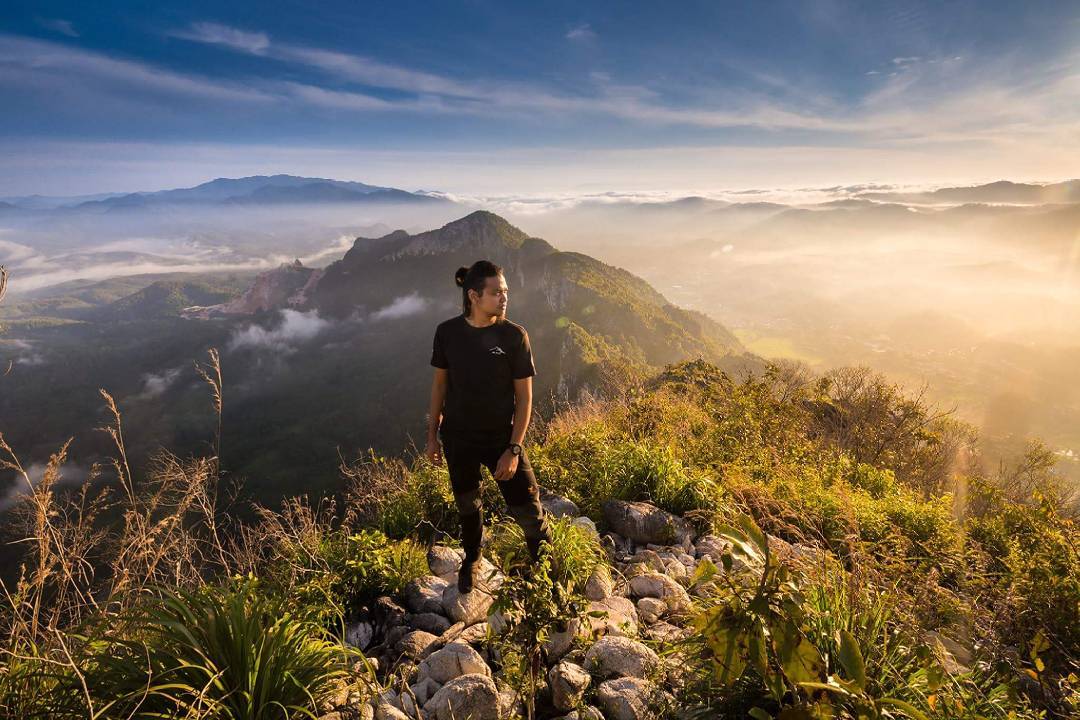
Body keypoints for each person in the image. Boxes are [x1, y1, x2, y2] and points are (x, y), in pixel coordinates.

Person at [425, 260, 553, 593]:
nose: (503, 298)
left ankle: (547, 577)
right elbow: (439, 387)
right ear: (473, 296)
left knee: (529, 511)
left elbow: (525, 400)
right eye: (496, 292)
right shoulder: (448, 333)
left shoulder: (513, 336)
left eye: (505, 292)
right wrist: (432, 438)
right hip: (458, 438)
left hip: (501, 440)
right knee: (468, 505)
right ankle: (472, 560)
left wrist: (513, 449)